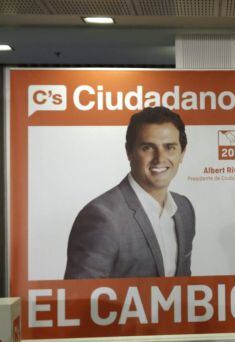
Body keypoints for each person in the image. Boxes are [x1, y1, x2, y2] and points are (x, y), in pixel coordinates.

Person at [65, 107, 195, 279]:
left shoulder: (184, 209)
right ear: (129, 152)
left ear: (182, 153)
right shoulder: (101, 217)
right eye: (148, 147)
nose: (160, 158)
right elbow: (81, 299)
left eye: (170, 147)